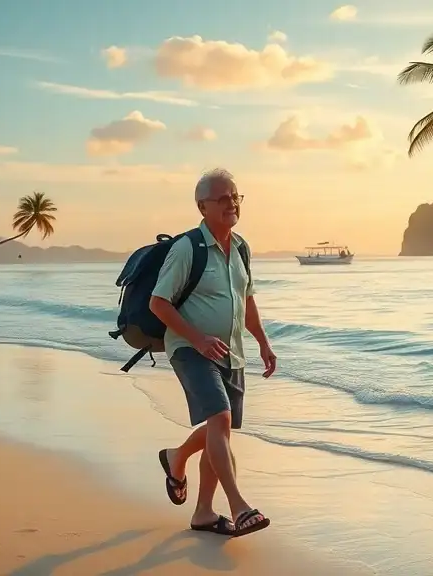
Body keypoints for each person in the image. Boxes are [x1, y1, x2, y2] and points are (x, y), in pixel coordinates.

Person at [149, 168, 276, 538]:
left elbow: (246, 300)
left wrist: (263, 343)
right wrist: (198, 338)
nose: (231, 203)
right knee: (219, 420)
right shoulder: (187, 247)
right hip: (190, 348)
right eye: (222, 198)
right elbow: (159, 302)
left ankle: (201, 508)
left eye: (236, 196)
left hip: (230, 352)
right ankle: (239, 506)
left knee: (218, 431)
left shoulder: (241, 248)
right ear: (202, 206)